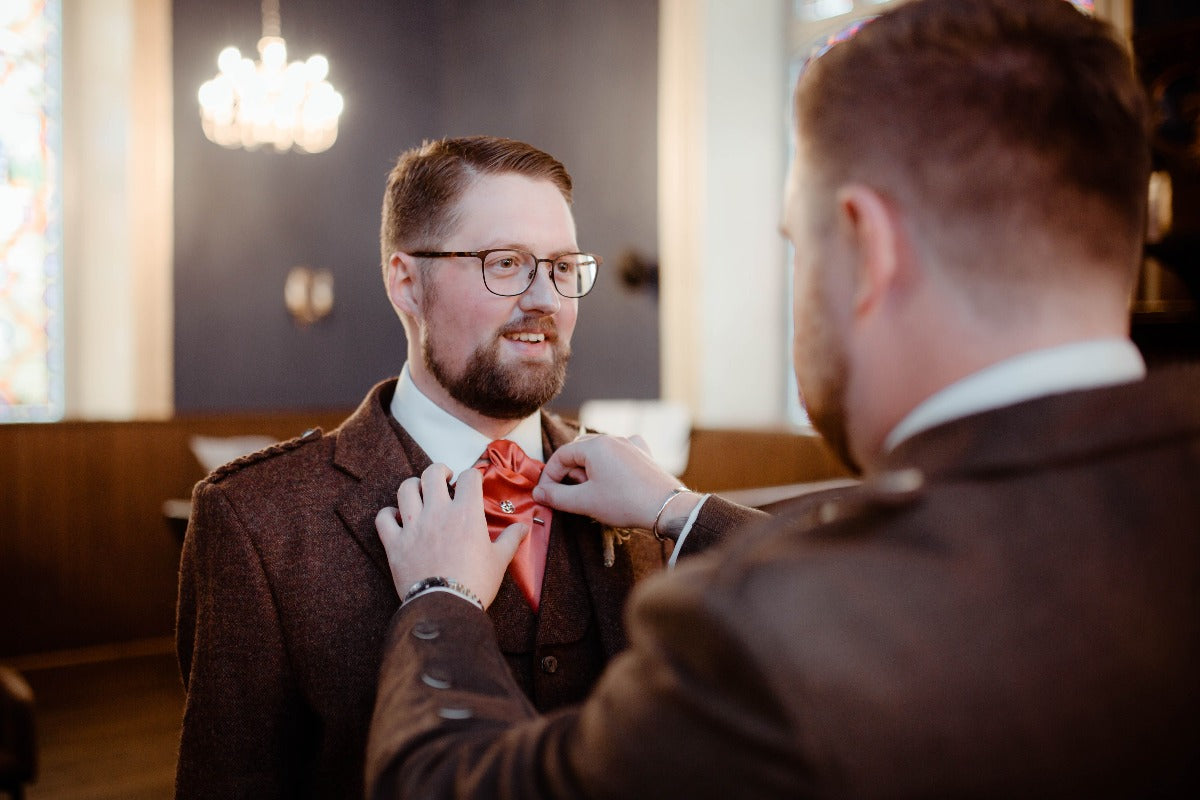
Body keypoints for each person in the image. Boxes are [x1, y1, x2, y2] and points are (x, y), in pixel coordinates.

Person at [364, 1, 1200, 797]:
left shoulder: (764, 639)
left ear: (868, 249)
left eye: (799, 242)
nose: (542, 295)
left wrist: (441, 597)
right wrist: (679, 510)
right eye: (505, 264)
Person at [174, 136, 668, 799]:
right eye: (505, 264)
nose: (545, 299)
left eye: (561, 267)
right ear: (406, 283)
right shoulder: (258, 522)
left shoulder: (639, 491)